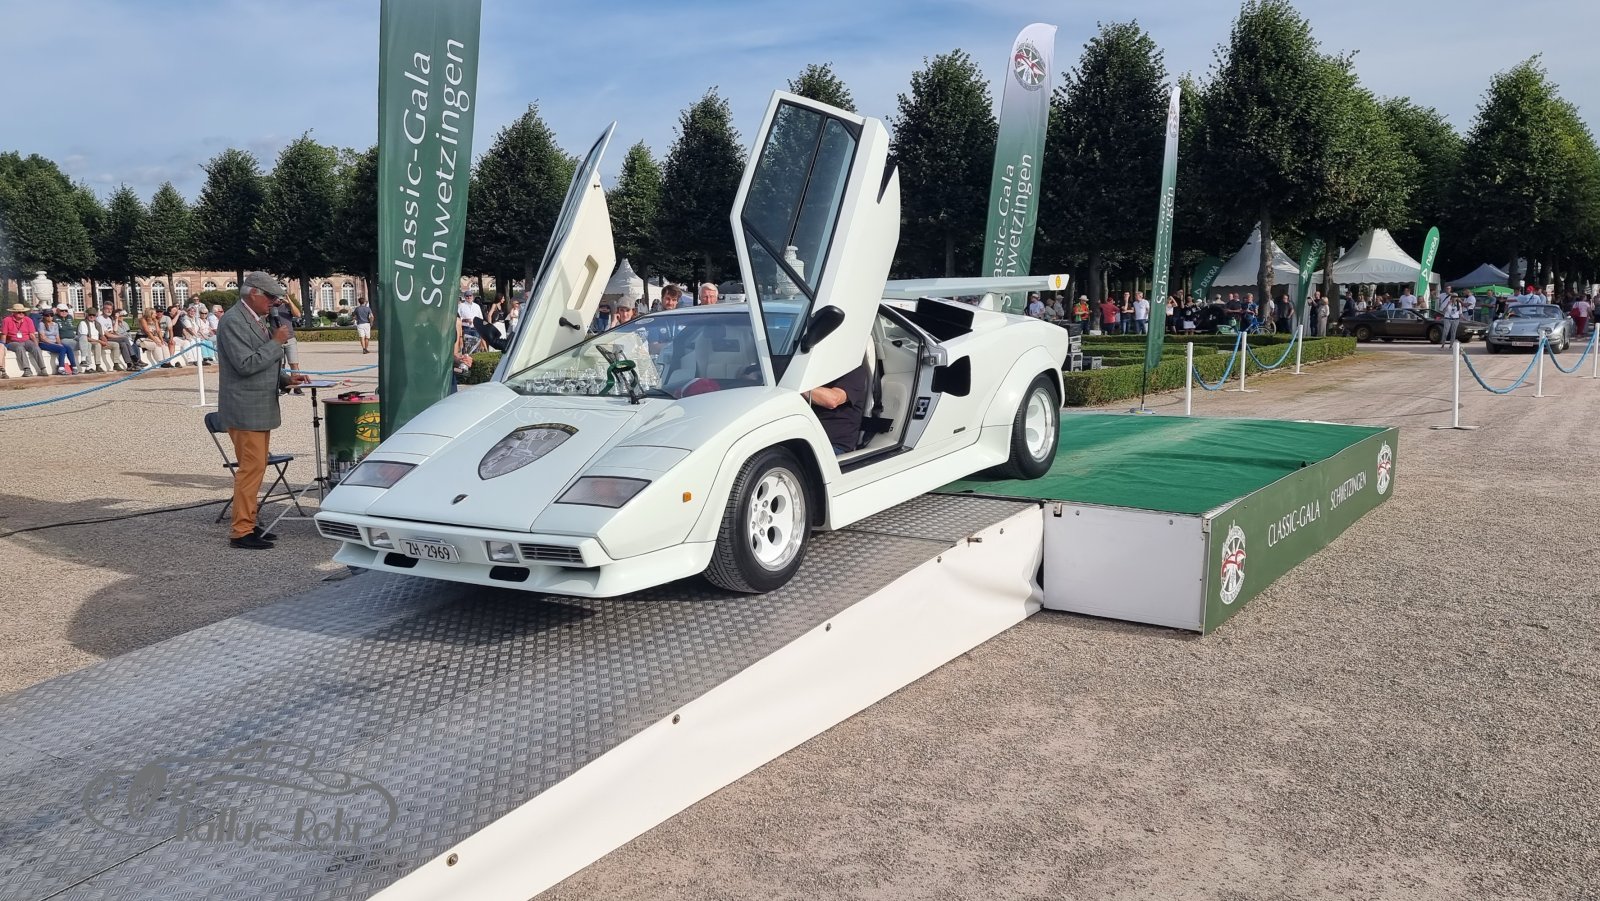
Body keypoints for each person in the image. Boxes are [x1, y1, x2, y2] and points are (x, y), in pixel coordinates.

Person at [218, 272, 307, 549]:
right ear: (253, 293)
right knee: (251, 469)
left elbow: (262, 364)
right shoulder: (233, 321)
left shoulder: (255, 319)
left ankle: (249, 521)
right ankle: (241, 531)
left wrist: (286, 379)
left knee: (255, 468)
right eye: (270, 297)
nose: (275, 303)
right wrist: (276, 342)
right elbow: (245, 365)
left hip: (257, 407)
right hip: (245, 409)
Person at [804, 363, 869, 455]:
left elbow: (833, 400)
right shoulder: (812, 370)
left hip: (833, 446)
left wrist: (796, 388)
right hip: (805, 438)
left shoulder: (855, 371)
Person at [4, 303, 46, 378]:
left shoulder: (28, 320)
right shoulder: (7, 320)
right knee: (19, 348)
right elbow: (4, 334)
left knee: (35, 348)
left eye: (23, 312)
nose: (22, 313)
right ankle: (27, 369)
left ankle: (43, 369)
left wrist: (36, 345)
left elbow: (32, 335)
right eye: (19, 312)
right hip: (12, 341)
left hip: (26, 340)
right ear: (13, 313)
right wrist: (3, 345)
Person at [271, 294, 303, 391]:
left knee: (294, 363)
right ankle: (284, 386)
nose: (279, 300)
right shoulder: (270, 307)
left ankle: (296, 386)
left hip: (290, 339)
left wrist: (289, 302)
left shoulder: (287, 307)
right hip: (277, 340)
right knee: (280, 365)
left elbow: (298, 315)